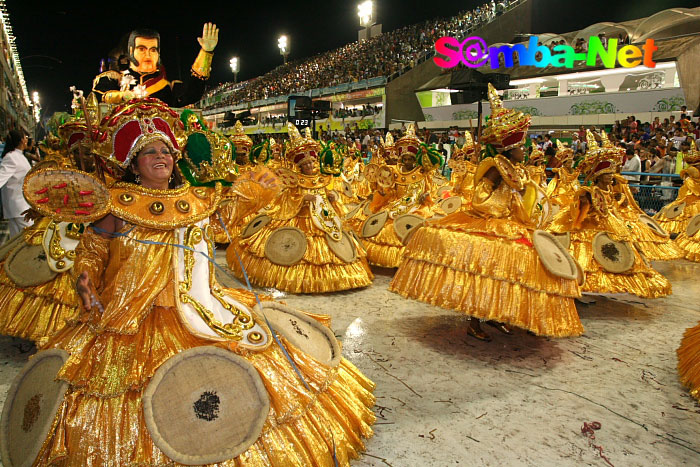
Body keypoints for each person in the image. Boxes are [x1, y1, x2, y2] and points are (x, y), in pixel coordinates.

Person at [24, 100, 376, 465]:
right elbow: (93, 250)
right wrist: (85, 281)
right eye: (149, 152)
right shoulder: (115, 204)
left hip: (197, 307)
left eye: (166, 150)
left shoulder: (197, 199)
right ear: (132, 162)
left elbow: (236, 211)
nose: (161, 157)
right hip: (128, 317)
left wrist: (257, 189)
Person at [390, 84, 584, 341]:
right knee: (482, 271)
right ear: (508, 148)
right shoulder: (495, 166)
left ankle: (496, 314)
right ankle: (474, 321)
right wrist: (502, 208)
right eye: (520, 146)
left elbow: (525, 196)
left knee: (508, 272)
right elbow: (480, 198)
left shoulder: (518, 168)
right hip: (490, 222)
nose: (524, 150)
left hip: (514, 223)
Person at [228, 122, 374, 293]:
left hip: (324, 221)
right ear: (299, 166)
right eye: (306, 164)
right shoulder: (293, 180)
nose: (311, 167)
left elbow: (328, 195)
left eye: (312, 163)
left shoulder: (322, 178)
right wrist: (302, 198)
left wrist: (332, 197)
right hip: (299, 219)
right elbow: (284, 201)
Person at [548, 131, 671, 298]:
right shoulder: (590, 191)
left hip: (612, 225)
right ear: (598, 175)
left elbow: (613, 207)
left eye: (611, 173)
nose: (611, 177)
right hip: (592, 225)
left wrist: (620, 201)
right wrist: (585, 202)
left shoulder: (612, 189)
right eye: (607, 174)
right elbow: (581, 210)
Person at [92, 23, 218, 106]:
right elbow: (98, 96)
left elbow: (190, 95)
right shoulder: (113, 78)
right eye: (142, 49)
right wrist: (122, 97)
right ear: (131, 51)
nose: (148, 55)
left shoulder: (167, 85)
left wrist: (206, 52)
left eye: (153, 50)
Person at [0, 130, 33, 239]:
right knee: (32, 235)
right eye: (26, 137)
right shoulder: (11, 157)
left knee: (16, 240)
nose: (27, 140)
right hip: (18, 205)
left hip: (21, 204)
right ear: (21, 140)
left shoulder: (19, 155)